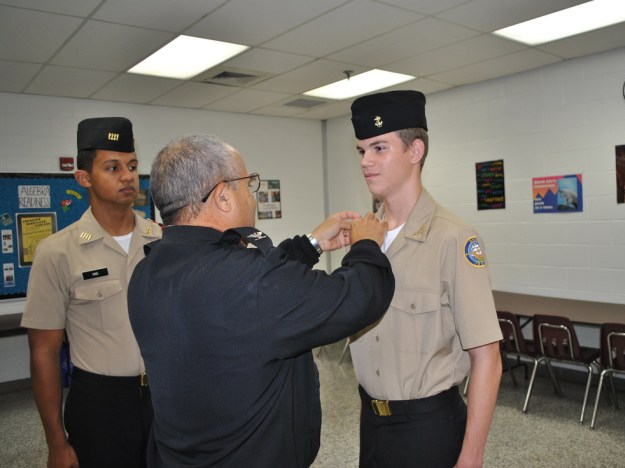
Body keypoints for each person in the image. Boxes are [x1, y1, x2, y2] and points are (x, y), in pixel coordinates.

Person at [127, 134, 395, 467]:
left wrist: (310, 244)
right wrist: (366, 245)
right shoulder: (250, 282)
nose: (252, 197)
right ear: (224, 197)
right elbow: (359, 297)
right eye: (248, 184)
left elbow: (245, 298)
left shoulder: (147, 271)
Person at [348, 90, 503, 468]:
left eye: (379, 148)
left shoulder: (453, 238)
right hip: (372, 422)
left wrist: (472, 457)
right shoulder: (363, 238)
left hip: (427, 430)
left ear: (415, 151)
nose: (366, 161)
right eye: (361, 150)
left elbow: (488, 359)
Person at [21, 117, 162, 468]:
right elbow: (44, 353)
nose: (127, 176)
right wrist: (56, 443)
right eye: (112, 167)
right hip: (101, 406)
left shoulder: (162, 240)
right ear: (84, 178)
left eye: (131, 166)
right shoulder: (57, 252)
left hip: (165, 396)